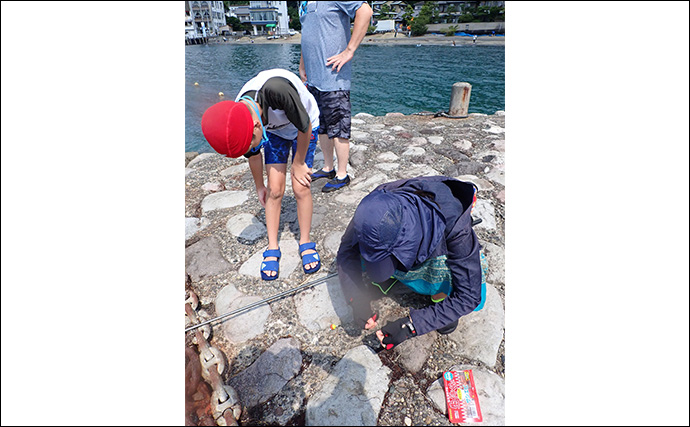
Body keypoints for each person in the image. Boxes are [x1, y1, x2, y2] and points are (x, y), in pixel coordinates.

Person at [337, 176, 486, 350]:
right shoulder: (373, 207)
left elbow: (469, 295)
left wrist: (412, 325)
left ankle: (441, 295)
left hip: (440, 245)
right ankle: (398, 276)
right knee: (361, 252)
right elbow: (346, 250)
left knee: (459, 280)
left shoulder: (455, 223)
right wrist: (356, 298)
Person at [201, 68, 322, 281]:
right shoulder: (239, 116)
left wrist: (299, 162)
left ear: (256, 125)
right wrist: (259, 186)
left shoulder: (277, 90)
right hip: (274, 132)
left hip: (304, 125)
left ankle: (305, 241)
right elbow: (253, 153)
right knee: (275, 190)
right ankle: (272, 245)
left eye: (252, 144)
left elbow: (305, 126)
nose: (252, 149)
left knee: (300, 186)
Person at [298, 1, 373, 193]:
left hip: (333, 77)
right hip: (314, 78)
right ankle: (328, 168)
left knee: (338, 126)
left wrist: (349, 51)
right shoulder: (305, 2)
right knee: (321, 125)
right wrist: (303, 64)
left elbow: (365, 11)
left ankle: (342, 174)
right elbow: (308, 34)